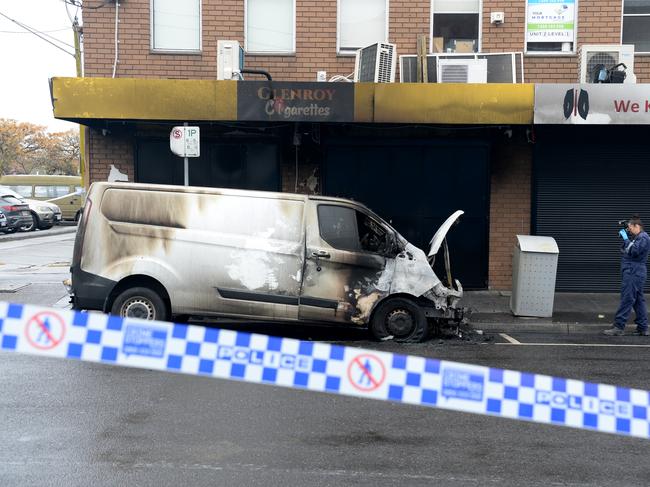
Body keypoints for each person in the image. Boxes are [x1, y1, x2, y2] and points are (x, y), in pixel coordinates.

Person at [604, 215, 650, 336]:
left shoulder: (643, 237)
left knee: (627, 298)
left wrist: (625, 239)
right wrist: (626, 239)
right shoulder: (637, 238)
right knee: (638, 300)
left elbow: (634, 251)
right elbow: (627, 251)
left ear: (637, 226)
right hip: (633, 271)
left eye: (630, 228)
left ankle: (619, 326)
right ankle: (643, 327)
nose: (629, 230)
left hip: (634, 272)